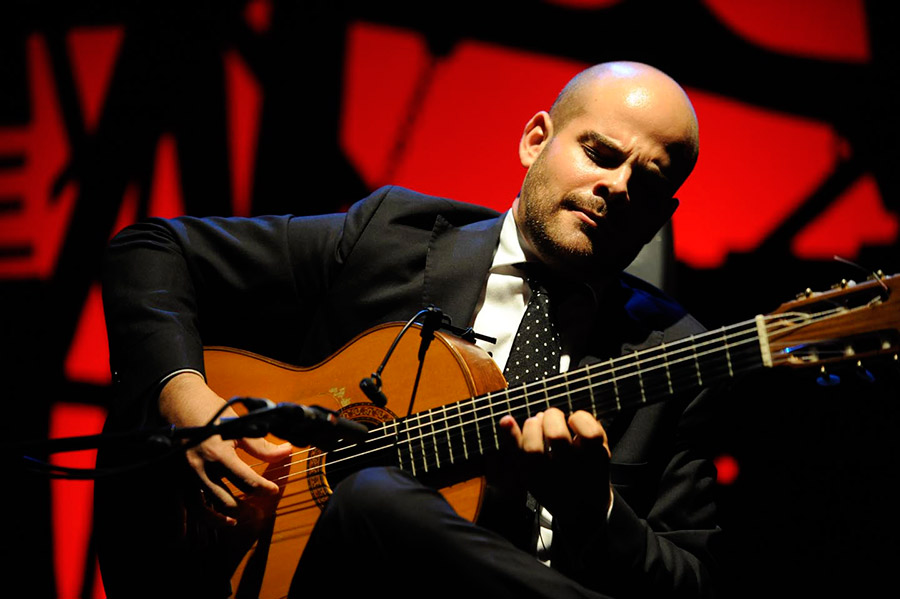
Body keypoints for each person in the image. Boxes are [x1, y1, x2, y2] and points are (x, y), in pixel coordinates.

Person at [95, 61, 719, 598]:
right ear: (536, 140)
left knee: (374, 497)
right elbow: (151, 249)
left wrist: (597, 512)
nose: (617, 186)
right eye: (600, 154)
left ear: (660, 217)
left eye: (648, 183)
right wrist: (186, 401)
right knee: (371, 498)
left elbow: (691, 580)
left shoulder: (678, 353)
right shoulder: (389, 236)